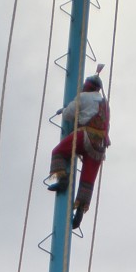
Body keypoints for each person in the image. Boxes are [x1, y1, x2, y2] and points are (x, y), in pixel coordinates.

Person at [46, 65, 110, 230]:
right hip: (99, 146)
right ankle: (80, 210)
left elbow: (68, 115)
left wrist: (66, 109)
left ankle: (63, 179)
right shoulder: (105, 104)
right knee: (88, 179)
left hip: (85, 136)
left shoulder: (83, 97)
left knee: (58, 152)